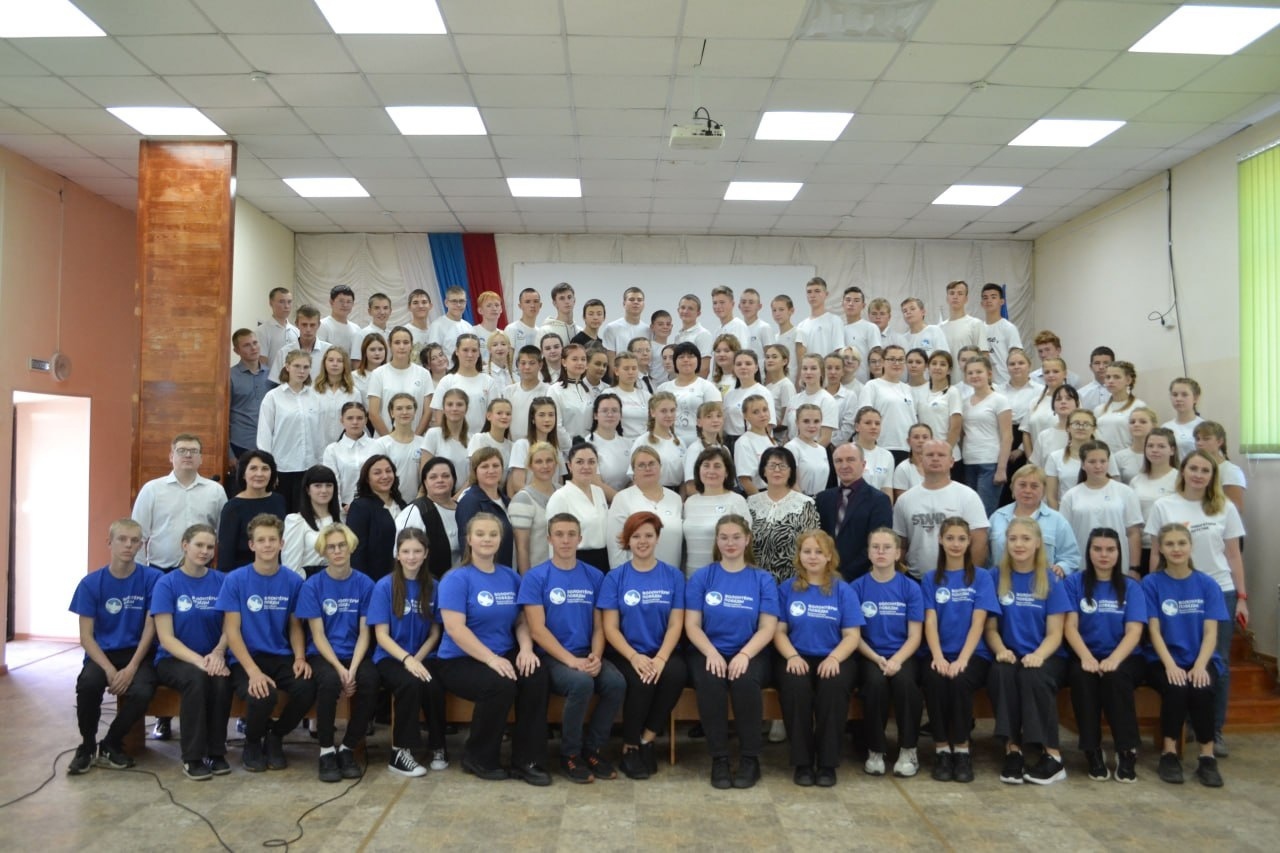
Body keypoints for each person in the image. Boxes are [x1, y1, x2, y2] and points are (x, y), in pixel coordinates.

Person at [436, 513, 551, 785]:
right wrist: (491, 659)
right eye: (480, 534)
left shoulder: (510, 576)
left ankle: (527, 760)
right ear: (469, 539)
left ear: (500, 540)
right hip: (459, 660)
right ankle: (479, 757)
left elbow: (521, 620)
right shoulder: (456, 578)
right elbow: (455, 629)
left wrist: (526, 650)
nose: (486, 539)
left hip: (504, 653)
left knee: (535, 676)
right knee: (500, 684)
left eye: (493, 534)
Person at [1145, 450, 1247, 756]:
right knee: (1180, 658)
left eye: (1205, 470)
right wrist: (1154, 589)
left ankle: (1213, 730)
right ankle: (1185, 724)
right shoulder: (1164, 505)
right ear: (1183, 471)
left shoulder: (1224, 507)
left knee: (1218, 662)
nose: (1199, 475)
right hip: (1174, 592)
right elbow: (1155, 554)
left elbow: (1233, 555)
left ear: (1213, 476)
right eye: (1194, 468)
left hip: (1219, 589)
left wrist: (1242, 596)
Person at [519, 514, 624, 783]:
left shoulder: (594, 576)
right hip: (552, 657)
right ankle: (570, 755)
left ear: (580, 539)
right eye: (559, 534)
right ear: (549, 539)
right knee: (581, 683)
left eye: (571, 534)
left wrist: (596, 656)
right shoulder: (535, 577)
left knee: (616, 683)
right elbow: (537, 630)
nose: (565, 540)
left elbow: (600, 627)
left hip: (586, 653)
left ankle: (593, 750)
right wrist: (571, 661)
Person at [216, 514, 316, 772]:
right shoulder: (235, 580)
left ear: (282, 543)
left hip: (281, 655)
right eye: (261, 540)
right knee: (263, 695)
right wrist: (253, 672)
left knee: (307, 687)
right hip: (245, 658)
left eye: (272, 539)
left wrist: (300, 658)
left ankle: (276, 736)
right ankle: (252, 742)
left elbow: (295, 626)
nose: (267, 545)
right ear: (252, 545)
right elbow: (232, 631)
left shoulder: (294, 581)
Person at [685, 515, 779, 789]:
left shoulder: (762, 579)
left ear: (747, 539)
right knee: (710, 681)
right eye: (724, 537)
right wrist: (711, 653)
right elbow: (692, 625)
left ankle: (750, 759)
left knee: (745, 681)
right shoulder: (703, 577)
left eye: (736, 537)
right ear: (716, 541)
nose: (730, 543)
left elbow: (768, 627)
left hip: (751, 650)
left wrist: (745, 655)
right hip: (707, 649)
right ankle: (720, 759)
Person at [66, 519, 161, 775]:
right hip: (102, 654)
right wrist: (109, 670)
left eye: (134, 540)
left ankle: (111, 743)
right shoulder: (90, 584)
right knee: (88, 685)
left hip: (139, 653)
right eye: (122, 539)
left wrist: (131, 668)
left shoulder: (153, 579)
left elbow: (150, 628)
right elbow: (86, 637)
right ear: (109, 543)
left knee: (142, 691)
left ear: (141, 545)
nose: (128, 545)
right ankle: (87, 746)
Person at [599, 512, 687, 780]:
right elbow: (610, 628)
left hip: (661, 650)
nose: (642, 541)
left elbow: (676, 624)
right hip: (625, 652)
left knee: (675, 674)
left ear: (658, 538)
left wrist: (660, 658)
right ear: (627, 540)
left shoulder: (673, 576)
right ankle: (630, 747)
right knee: (641, 681)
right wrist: (634, 657)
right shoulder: (615, 578)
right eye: (636, 536)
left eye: (648, 535)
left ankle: (647, 739)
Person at [985, 517, 1070, 785]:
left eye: (1025, 539)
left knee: (1033, 675)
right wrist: (1001, 650)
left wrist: (1038, 656)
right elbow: (990, 628)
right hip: (1009, 652)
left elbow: (1055, 633)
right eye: (1013, 539)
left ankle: (1052, 756)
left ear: (1038, 543)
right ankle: (1013, 750)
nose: (1019, 544)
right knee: (1001, 672)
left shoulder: (1051, 579)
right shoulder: (995, 576)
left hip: (1047, 654)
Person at [775, 529, 862, 787]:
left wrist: (834, 658)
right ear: (799, 555)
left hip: (834, 655)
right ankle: (802, 763)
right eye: (807, 551)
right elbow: (778, 631)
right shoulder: (786, 588)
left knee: (833, 688)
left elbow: (852, 635)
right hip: (795, 655)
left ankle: (827, 763)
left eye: (819, 552)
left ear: (829, 556)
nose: (812, 557)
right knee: (795, 687)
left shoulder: (843, 590)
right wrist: (792, 656)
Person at [1144, 523, 1226, 787]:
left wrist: (1200, 666)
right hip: (1162, 659)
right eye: (1169, 544)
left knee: (1202, 688)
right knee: (1176, 687)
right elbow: (1154, 630)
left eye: (1181, 543)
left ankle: (1207, 757)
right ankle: (1169, 753)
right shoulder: (1151, 583)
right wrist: (1170, 665)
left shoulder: (1207, 584)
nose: (1176, 549)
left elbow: (1211, 633)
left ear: (1191, 546)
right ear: (1160, 549)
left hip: (1200, 658)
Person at [1063, 528, 1146, 783]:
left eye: (1110, 549)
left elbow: (1134, 631)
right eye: (1097, 549)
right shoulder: (1074, 583)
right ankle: (1092, 750)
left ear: (1119, 553)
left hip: (1124, 656)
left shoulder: (1131, 587)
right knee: (1082, 677)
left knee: (1115, 677)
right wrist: (1086, 657)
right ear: (1088, 552)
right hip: (1084, 653)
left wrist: (1113, 660)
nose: (1103, 555)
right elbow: (1069, 626)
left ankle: (1126, 750)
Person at [296, 523, 378, 782]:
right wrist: (341, 669)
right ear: (323, 552)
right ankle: (326, 750)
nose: (337, 551)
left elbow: (365, 632)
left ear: (350, 547)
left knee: (370, 680)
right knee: (330, 682)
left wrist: (352, 669)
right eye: (331, 547)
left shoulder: (365, 583)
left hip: (355, 652)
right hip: (323, 654)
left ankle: (348, 748)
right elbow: (318, 635)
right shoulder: (312, 585)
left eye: (342, 545)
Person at [150, 523, 230, 780]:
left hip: (214, 656)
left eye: (210, 547)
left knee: (221, 681)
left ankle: (216, 752)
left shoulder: (222, 581)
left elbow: (231, 627)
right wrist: (199, 661)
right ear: (185, 545)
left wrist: (218, 653)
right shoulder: (167, 583)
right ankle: (192, 757)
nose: (205, 551)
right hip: (173, 659)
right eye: (199, 545)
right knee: (197, 679)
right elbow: (166, 638)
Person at [921, 518, 998, 783]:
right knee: (934, 679)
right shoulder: (930, 578)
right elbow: (930, 621)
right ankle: (942, 749)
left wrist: (963, 659)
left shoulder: (981, 577)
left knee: (960, 681)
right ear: (940, 541)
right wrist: (938, 657)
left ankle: (962, 750)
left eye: (961, 539)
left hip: (973, 654)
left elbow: (979, 622)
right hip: (939, 652)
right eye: (950, 538)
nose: (956, 544)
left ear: (969, 542)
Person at [368, 528, 449, 777]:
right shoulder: (384, 586)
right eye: (406, 551)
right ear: (397, 554)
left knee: (433, 684)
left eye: (417, 551)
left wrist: (417, 659)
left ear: (426, 554)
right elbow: (381, 635)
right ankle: (400, 753)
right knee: (409, 683)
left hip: (423, 655)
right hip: (391, 656)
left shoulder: (434, 586)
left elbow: (435, 633)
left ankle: (438, 746)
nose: (411, 557)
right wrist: (407, 660)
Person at [851, 528, 924, 778]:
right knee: (874, 684)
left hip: (903, 655)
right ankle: (875, 750)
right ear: (868, 552)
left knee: (906, 685)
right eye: (875, 547)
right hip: (870, 655)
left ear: (898, 553)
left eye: (887, 547)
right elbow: (854, 635)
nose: (881, 552)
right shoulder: (856, 587)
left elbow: (915, 635)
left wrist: (897, 660)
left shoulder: (910, 588)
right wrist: (877, 658)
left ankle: (908, 750)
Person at [892, 439, 990, 579]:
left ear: (952, 461)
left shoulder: (968, 496)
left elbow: (979, 542)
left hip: (958, 579)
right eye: (930, 455)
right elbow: (900, 545)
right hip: (916, 579)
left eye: (941, 455)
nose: (935, 458)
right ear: (921, 460)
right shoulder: (905, 500)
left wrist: (970, 578)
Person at [133, 433, 227, 573]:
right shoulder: (152, 489)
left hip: (201, 570)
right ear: (171, 456)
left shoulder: (215, 491)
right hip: (160, 570)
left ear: (201, 458)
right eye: (181, 450)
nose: (188, 455)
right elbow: (138, 534)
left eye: (193, 451)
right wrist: (140, 572)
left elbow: (222, 535)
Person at [1059, 441, 1143, 576]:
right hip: (1082, 567)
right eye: (1092, 462)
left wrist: (1134, 568)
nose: (1098, 466)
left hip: (1119, 568)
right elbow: (1064, 536)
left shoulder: (1125, 492)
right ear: (1083, 464)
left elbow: (1133, 533)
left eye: (1103, 461)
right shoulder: (1071, 496)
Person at [258, 349, 326, 512]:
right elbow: (264, 435)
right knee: (281, 515)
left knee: (306, 516)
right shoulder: (273, 397)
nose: (301, 371)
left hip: (309, 468)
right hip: (282, 468)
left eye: (306, 367)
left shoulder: (315, 397)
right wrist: (269, 469)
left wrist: (321, 467)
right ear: (287, 367)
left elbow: (320, 435)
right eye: (297, 366)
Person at [816, 444, 894, 582]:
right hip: (824, 575)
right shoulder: (823, 498)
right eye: (838, 461)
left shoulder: (879, 500)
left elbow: (877, 543)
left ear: (863, 464)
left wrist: (845, 575)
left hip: (861, 579)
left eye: (850, 459)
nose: (844, 465)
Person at [987, 464, 1081, 577]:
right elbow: (986, 557)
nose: (1027, 490)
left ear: (1044, 490)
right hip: (1001, 582)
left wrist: (1061, 568)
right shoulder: (996, 518)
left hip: (1043, 583)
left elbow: (1071, 557)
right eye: (1022, 485)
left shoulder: (1057, 521)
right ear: (1012, 487)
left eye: (1034, 486)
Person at [747, 446, 820, 584]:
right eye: (772, 465)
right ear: (763, 470)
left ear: (791, 471)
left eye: (783, 466)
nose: (777, 470)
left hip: (792, 582)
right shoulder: (750, 503)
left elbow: (811, 546)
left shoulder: (805, 504)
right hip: (754, 579)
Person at [608, 445, 684, 569]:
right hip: (635, 576)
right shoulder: (622, 498)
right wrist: (621, 576)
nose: (648, 468)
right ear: (633, 471)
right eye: (641, 465)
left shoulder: (675, 499)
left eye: (652, 463)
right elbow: (616, 546)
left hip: (670, 574)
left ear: (660, 467)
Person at [218, 450, 287, 572]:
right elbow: (226, 554)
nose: (259, 474)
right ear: (243, 474)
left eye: (265, 469)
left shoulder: (279, 500)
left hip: (276, 570)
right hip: (243, 573)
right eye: (253, 468)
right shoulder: (232, 507)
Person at [683, 447, 748, 575]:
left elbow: (746, 542)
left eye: (717, 466)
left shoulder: (736, 500)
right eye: (706, 465)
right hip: (692, 576)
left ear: (727, 472)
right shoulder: (689, 503)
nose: (711, 471)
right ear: (698, 470)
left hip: (724, 577)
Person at [961, 356, 1013, 515]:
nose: (974, 376)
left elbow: (1007, 436)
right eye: (970, 373)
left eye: (979, 372)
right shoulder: (964, 402)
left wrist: (1001, 468)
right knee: (970, 512)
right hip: (969, 462)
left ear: (989, 374)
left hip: (990, 463)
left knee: (984, 513)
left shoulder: (999, 400)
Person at [546, 443, 610, 571]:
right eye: (580, 462)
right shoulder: (560, 497)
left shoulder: (598, 492)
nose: (586, 467)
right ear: (570, 466)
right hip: (576, 562)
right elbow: (554, 540)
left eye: (591, 462)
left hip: (603, 560)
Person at [394, 456, 459, 576]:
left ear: (454, 479)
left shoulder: (462, 509)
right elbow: (399, 551)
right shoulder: (416, 510)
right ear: (424, 482)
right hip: (426, 581)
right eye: (433, 477)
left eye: (445, 476)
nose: (440, 480)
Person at [346, 454, 407, 581]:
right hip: (374, 579)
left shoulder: (402, 504)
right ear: (367, 479)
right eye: (377, 473)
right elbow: (356, 551)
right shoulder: (360, 507)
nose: (385, 476)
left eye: (388, 471)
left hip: (404, 576)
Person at [367, 326, 434, 436]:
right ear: (390, 345)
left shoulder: (423, 374)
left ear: (411, 345)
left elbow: (428, 412)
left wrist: (415, 439)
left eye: (406, 342)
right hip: (384, 440)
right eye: (397, 342)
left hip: (415, 439)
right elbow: (373, 413)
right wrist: (390, 440)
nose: (402, 347)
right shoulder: (378, 374)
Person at [456, 446, 515, 569]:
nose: (491, 470)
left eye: (495, 465)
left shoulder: (507, 501)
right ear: (475, 471)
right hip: (484, 572)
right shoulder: (470, 502)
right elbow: (466, 544)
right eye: (484, 466)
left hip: (507, 570)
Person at [1129, 427, 1179, 570]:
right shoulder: (1136, 481)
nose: (1154, 450)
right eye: (1150, 446)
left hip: (1170, 547)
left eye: (1161, 446)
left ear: (1172, 450)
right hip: (1142, 547)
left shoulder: (1179, 479)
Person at [858, 345, 916, 462]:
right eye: (892, 359)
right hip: (883, 446)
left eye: (900, 359)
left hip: (907, 447)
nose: (897, 363)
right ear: (883, 362)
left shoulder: (908, 389)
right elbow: (864, 418)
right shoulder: (872, 386)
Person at [658, 341, 721, 446]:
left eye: (691, 356)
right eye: (681, 357)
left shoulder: (708, 387)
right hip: (669, 443)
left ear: (698, 361)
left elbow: (717, 421)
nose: (686, 360)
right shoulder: (662, 388)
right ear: (675, 362)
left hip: (701, 444)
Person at [510, 441, 559, 574]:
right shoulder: (522, 499)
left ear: (556, 463)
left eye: (549, 460)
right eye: (538, 462)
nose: (545, 466)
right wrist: (527, 580)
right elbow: (521, 548)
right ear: (530, 466)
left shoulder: (563, 493)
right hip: (537, 574)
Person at [282, 464, 340, 577]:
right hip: (309, 581)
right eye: (317, 486)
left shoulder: (341, 519)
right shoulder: (297, 521)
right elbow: (291, 567)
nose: (324, 490)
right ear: (308, 490)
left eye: (329, 485)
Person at [430, 333, 493, 435]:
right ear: (457, 351)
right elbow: (439, 418)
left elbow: (494, 416)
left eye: (474, 350)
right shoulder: (447, 381)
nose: (470, 355)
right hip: (452, 440)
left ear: (479, 353)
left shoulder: (489, 382)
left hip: (481, 440)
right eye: (465, 350)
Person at [322, 402, 378, 513]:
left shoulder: (377, 446)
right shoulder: (332, 450)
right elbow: (332, 481)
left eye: (359, 418)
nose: (355, 422)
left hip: (374, 505)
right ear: (342, 420)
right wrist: (339, 509)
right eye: (350, 418)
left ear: (366, 420)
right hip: (344, 509)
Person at [375, 393, 430, 504]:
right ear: (392, 413)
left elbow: (428, 475)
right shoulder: (381, 444)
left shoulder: (424, 443)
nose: (404, 412)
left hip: (417, 502)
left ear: (415, 412)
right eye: (399, 408)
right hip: (389, 503)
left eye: (409, 408)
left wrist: (419, 499)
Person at [507, 396, 564, 498]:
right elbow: (517, 484)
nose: (547, 419)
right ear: (533, 419)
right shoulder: (522, 445)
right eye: (541, 415)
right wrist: (539, 501)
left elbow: (559, 482)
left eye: (551, 415)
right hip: (530, 501)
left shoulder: (556, 448)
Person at [229, 329, 274, 460]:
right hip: (240, 445)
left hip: (268, 444)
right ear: (236, 351)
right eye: (246, 345)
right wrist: (229, 454)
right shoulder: (229, 376)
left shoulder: (272, 375)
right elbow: (222, 418)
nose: (253, 348)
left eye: (255, 343)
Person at [632, 391, 685, 490]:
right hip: (651, 491)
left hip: (676, 493)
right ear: (653, 412)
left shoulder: (680, 442)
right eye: (663, 411)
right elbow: (635, 477)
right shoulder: (642, 442)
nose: (669, 415)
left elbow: (683, 480)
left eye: (672, 410)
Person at [422, 387, 473, 487]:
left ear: (466, 409)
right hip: (437, 493)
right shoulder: (433, 434)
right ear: (444, 409)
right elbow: (424, 473)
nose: (454, 408)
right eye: (450, 404)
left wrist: (458, 495)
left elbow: (472, 477)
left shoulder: (473, 439)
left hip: (464, 494)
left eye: (459, 404)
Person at [1194, 421, 1246, 516]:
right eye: (1197, 439)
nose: (1199, 443)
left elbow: (1236, 508)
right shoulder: (1192, 469)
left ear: (1219, 441)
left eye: (1206, 439)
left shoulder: (1231, 471)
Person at [269, 305, 331, 382]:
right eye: (304, 325)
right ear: (297, 324)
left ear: (318, 325)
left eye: (312, 325)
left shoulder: (329, 352)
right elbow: (275, 383)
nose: (308, 329)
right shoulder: (284, 352)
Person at [787, 353, 838, 445]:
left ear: (821, 372)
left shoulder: (827, 400)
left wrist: (808, 451)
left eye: (813, 368)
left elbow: (825, 438)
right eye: (805, 368)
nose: (808, 372)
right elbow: (788, 433)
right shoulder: (794, 399)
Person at [1094, 361, 1145, 452]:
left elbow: (1144, 438)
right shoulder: (1099, 409)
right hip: (1103, 458)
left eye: (1116, 377)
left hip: (1128, 457)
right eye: (1108, 377)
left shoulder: (1139, 407)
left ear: (1128, 380)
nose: (1110, 381)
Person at [785, 403, 835, 496]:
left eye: (816, 421)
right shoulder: (791, 447)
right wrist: (807, 502)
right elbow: (791, 482)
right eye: (806, 421)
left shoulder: (822, 450)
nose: (812, 426)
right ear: (797, 423)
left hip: (820, 499)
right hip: (799, 500)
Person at [794, 277, 843, 370]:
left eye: (817, 291)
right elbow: (801, 357)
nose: (813, 295)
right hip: (809, 375)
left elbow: (838, 351)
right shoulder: (801, 325)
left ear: (826, 294)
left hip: (828, 374)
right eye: (809, 292)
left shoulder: (835, 320)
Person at [734, 394, 780, 495]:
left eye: (765, 410)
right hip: (758, 493)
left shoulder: (772, 441)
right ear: (745, 416)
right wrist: (760, 502)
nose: (762, 415)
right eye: (755, 412)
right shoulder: (744, 442)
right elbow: (745, 480)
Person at [313, 347, 361, 441]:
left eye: (339, 361)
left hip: (344, 444)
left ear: (345, 365)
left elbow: (357, 422)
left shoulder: (354, 393)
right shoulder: (313, 390)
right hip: (318, 444)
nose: (335, 364)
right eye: (331, 360)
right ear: (324, 363)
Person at [980, 284, 1022, 386]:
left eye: (993, 297)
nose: (989, 300)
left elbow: (1017, 357)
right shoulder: (978, 328)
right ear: (981, 303)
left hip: (1006, 383)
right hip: (986, 385)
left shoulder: (1009, 328)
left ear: (1002, 301)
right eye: (985, 298)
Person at [549, 342, 594, 440]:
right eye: (574, 359)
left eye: (583, 359)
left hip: (589, 445)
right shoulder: (555, 390)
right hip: (566, 446)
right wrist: (571, 445)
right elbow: (557, 425)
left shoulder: (589, 390)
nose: (580, 363)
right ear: (564, 362)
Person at [587, 393, 629, 494]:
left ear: (620, 415)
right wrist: (621, 500)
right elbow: (595, 483)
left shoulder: (628, 444)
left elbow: (636, 478)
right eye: (605, 411)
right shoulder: (587, 445)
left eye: (614, 410)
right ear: (595, 415)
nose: (610, 415)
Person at [850, 406, 895, 499]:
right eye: (868, 423)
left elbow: (887, 491)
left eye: (877, 423)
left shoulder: (887, 456)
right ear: (857, 427)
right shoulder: (847, 451)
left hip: (878, 506)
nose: (873, 427)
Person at [256, 287, 298, 376]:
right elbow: (262, 362)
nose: (286, 306)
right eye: (282, 302)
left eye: (289, 302)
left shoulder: (296, 331)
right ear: (271, 303)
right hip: (271, 381)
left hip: (294, 380)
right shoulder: (262, 331)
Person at [601, 286, 649, 362]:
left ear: (643, 304)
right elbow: (611, 361)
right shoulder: (612, 328)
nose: (636, 302)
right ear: (624, 303)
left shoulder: (648, 330)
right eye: (631, 299)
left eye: (639, 300)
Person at [610, 351, 652, 439]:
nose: (630, 372)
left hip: (642, 443)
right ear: (616, 371)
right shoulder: (609, 394)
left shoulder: (646, 396)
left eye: (634, 368)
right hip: (619, 442)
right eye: (626, 369)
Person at [427, 285, 474, 362]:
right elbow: (433, 354)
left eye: (461, 301)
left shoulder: (468, 326)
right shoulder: (437, 326)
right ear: (446, 303)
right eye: (454, 301)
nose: (458, 305)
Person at [1113, 406, 1159, 484]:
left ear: (1153, 426)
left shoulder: (1160, 454)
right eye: (1132, 422)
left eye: (1143, 422)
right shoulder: (1119, 457)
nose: (1136, 425)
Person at [673, 294, 714, 376]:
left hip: (693, 383)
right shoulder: (677, 336)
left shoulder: (703, 334)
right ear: (678, 310)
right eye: (683, 307)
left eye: (690, 308)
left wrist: (688, 383)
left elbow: (704, 369)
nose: (685, 311)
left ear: (698, 313)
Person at [1165, 377, 1205, 459]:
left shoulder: (1204, 427)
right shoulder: (1165, 428)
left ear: (1195, 398)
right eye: (1175, 395)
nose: (1178, 399)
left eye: (1184, 395)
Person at [318, 284, 362, 356]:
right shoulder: (322, 325)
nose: (345, 305)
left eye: (349, 302)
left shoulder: (356, 329)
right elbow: (320, 354)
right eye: (341, 301)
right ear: (331, 302)